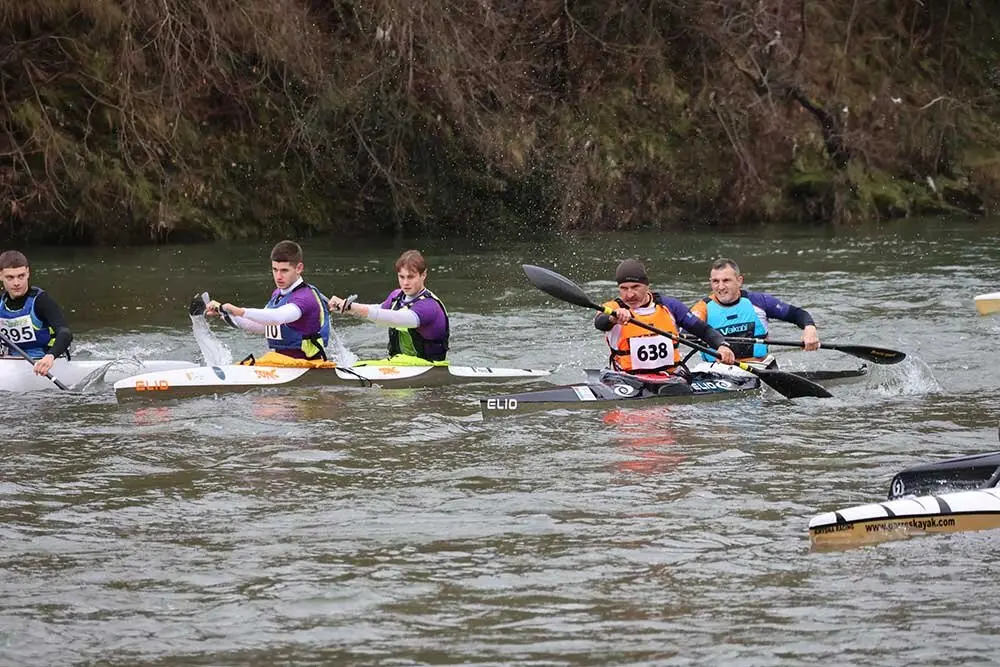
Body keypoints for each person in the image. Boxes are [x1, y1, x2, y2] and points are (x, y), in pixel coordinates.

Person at [594, 259, 735, 393]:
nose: (630, 294)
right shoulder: (612, 308)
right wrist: (613, 318)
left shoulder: (669, 306)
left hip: (671, 379)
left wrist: (722, 345)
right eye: (624, 288)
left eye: (635, 287)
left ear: (647, 285)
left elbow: (702, 330)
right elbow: (600, 322)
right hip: (628, 380)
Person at [205, 240, 330, 363]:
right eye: (275, 270)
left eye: (284, 270)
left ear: (299, 268)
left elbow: (277, 318)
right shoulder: (277, 294)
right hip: (282, 362)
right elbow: (260, 326)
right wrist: (226, 314)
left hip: (308, 365)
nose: (278, 276)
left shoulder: (305, 298)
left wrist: (240, 311)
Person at [327, 249, 449, 362]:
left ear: (423, 275)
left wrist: (352, 307)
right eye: (401, 277)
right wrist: (344, 307)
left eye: (411, 277)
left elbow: (393, 318)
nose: (405, 283)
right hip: (401, 364)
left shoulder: (429, 306)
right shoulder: (397, 296)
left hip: (430, 367)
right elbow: (378, 309)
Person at [690, 257, 820, 364]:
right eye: (715, 281)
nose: (721, 287)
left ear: (739, 281)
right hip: (716, 371)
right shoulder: (701, 309)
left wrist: (810, 329)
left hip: (759, 367)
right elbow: (683, 335)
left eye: (726, 280)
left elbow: (797, 314)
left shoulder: (759, 301)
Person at [0, 250, 73, 376]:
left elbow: (65, 333)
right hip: (11, 362)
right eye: (10, 277)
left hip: (44, 361)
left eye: (21, 276)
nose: (16, 283)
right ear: (0, 276)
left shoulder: (41, 301)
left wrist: (50, 357)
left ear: (28, 273)